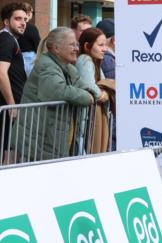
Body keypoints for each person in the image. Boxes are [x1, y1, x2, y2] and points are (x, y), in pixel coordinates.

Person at [15, 27, 107, 161]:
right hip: (40, 136)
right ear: (56, 48)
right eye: (72, 44)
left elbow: (83, 85)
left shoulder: (68, 67)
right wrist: (88, 97)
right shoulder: (47, 65)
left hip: (52, 134)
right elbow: (58, 91)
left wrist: (90, 93)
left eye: (76, 44)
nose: (76, 48)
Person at [76, 27, 113, 154]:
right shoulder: (85, 59)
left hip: (88, 118)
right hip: (84, 119)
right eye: (100, 45)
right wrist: (102, 94)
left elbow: (102, 83)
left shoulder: (94, 61)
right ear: (87, 45)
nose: (105, 49)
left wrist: (105, 91)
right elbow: (88, 84)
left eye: (105, 45)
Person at [19, 3, 42, 76]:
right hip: (30, 58)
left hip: (17, 58)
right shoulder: (31, 27)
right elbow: (38, 45)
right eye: (33, 12)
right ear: (29, 13)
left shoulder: (15, 26)